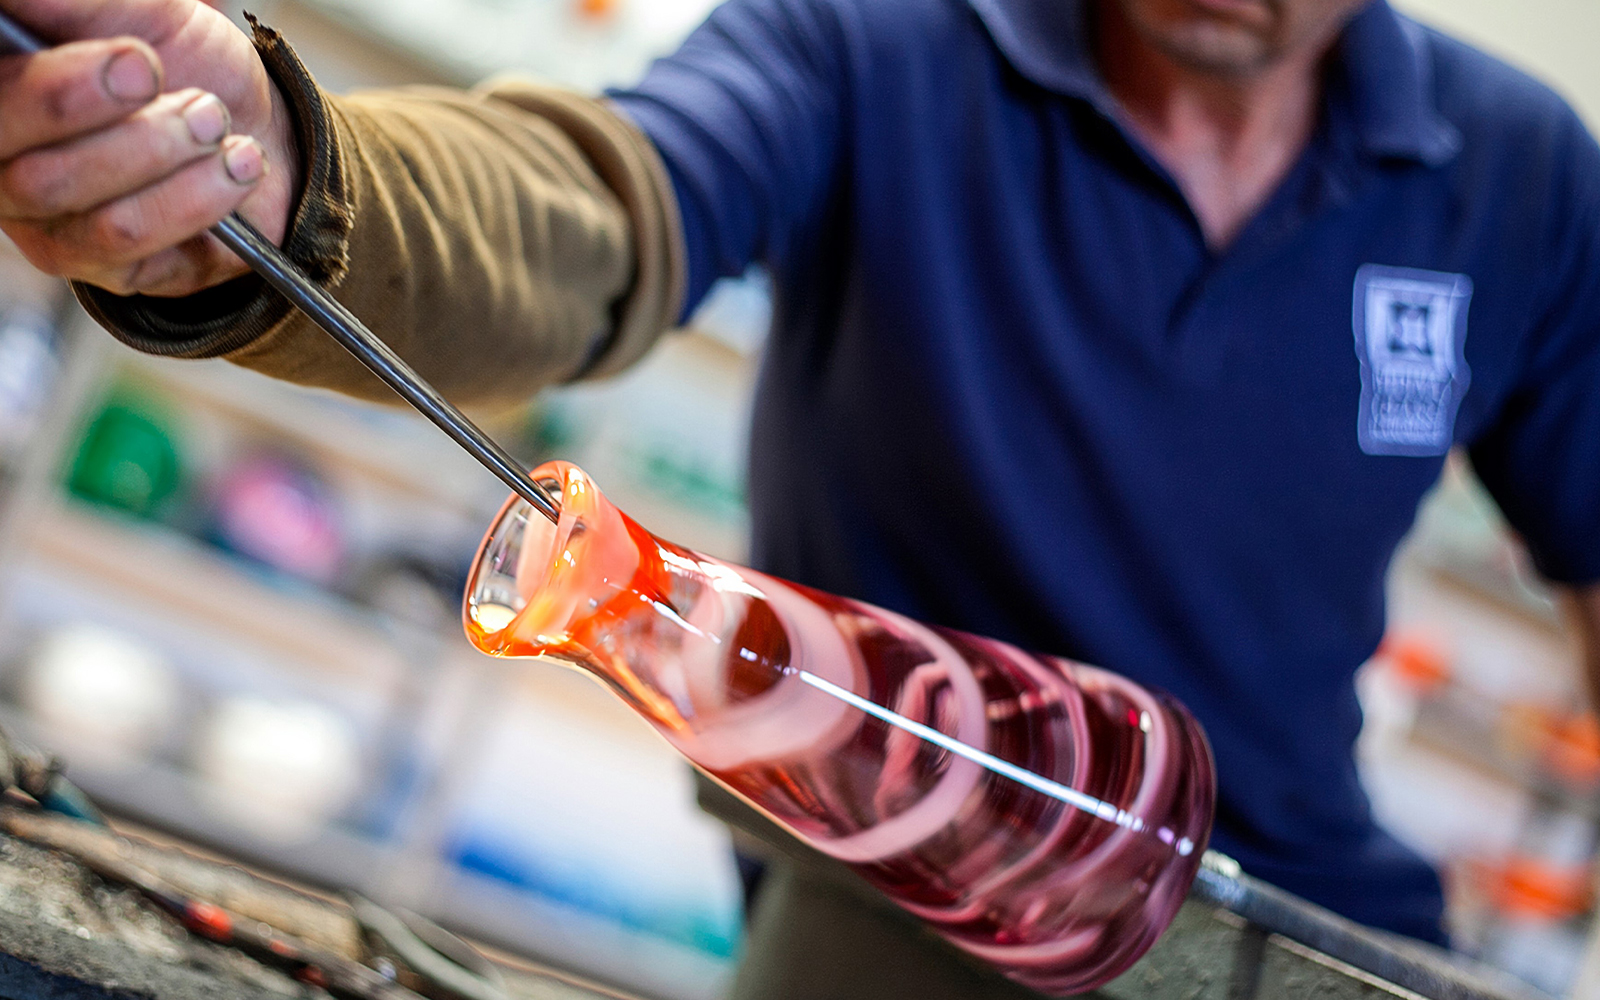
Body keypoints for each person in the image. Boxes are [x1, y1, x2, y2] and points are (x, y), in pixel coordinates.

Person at [2, 0, 1598, 994]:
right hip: (893, 919)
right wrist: (288, 171)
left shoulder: (1523, 171)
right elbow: (594, 213)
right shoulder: (878, 34)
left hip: (1303, 924)